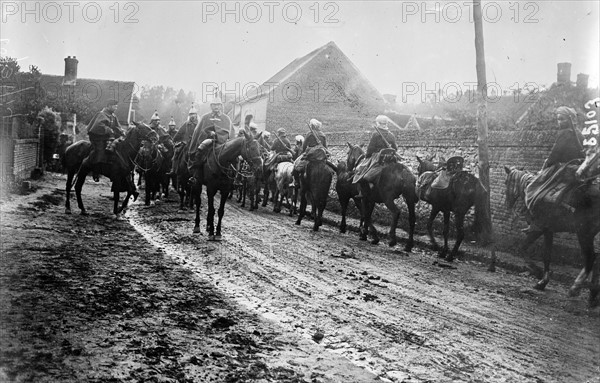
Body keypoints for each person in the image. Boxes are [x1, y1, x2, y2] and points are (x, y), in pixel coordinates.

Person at [523, 106, 585, 233]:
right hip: (577, 169)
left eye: (562, 119)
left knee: (533, 188)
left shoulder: (564, 134)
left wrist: (545, 166)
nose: (559, 122)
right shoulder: (579, 133)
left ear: (569, 119)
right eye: (558, 119)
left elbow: (554, 154)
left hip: (563, 169)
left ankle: (537, 223)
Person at [188, 96, 232, 181]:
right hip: (208, 141)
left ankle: (234, 178)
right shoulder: (205, 117)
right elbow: (199, 130)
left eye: (218, 105)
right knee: (200, 150)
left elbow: (228, 131)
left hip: (222, 142)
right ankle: (196, 174)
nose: (216, 107)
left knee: (234, 155)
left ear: (221, 106)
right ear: (211, 106)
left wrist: (218, 134)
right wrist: (208, 133)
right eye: (214, 105)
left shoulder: (226, 118)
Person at [352, 115, 398, 194]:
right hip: (390, 158)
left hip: (377, 158)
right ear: (386, 124)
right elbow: (395, 148)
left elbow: (370, 149)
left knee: (361, 171)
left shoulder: (375, 134)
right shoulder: (391, 135)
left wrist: (367, 156)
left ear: (378, 123)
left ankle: (364, 193)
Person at [86, 99, 123, 182]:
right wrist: (108, 129)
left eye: (116, 106)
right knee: (100, 151)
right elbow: (98, 125)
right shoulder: (101, 114)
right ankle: (96, 172)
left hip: (107, 138)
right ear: (109, 106)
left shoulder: (113, 116)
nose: (116, 108)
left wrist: (121, 131)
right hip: (97, 137)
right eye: (114, 106)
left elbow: (117, 126)